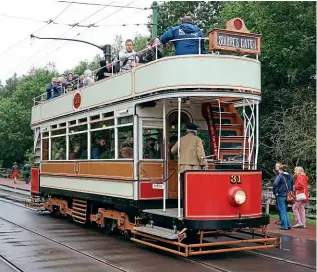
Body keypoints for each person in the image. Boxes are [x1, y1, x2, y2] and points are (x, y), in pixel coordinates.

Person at [273, 164, 294, 230]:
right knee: (284, 210)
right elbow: (292, 185)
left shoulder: (280, 176)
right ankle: (288, 224)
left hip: (281, 194)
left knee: (282, 211)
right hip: (288, 195)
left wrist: (275, 191)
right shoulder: (290, 176)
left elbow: (275, 184)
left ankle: (284, 226)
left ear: (281, 170)